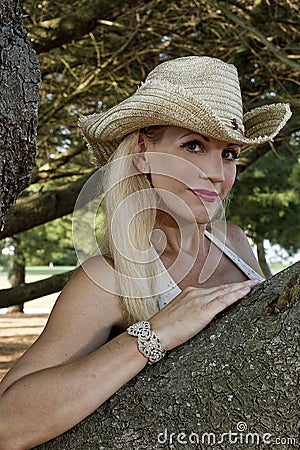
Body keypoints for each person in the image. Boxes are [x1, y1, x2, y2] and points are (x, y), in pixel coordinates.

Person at [0, 56, 291, 449]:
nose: (218, 173)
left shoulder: (235, 242)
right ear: (141, 152)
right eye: (193, 145)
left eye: (229, 154)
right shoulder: (109, 278)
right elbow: (8, 425)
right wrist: (156, 333)